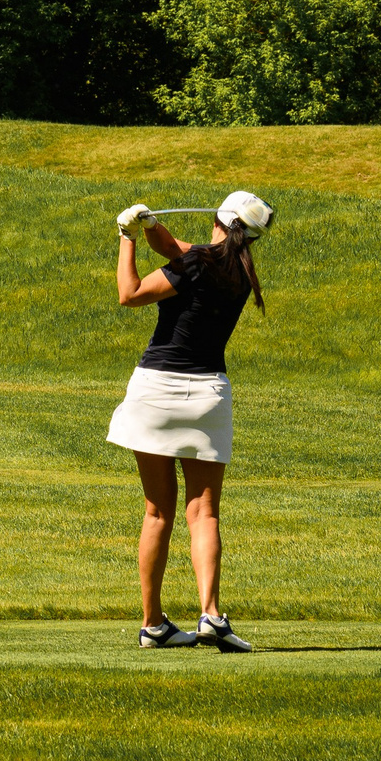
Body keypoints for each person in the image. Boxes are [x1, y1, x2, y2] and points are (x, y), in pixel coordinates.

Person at [106, 190, 274, 653]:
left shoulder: (198, 262)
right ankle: (211, 614)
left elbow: (130, 294)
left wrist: (127, 237)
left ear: (220, 219)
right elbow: (178, 250)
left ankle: (153, 623)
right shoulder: (240, 272)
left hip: (155, 392)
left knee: (158, 510)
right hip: (207, 397)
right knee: (204, 512)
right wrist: (151, 224)